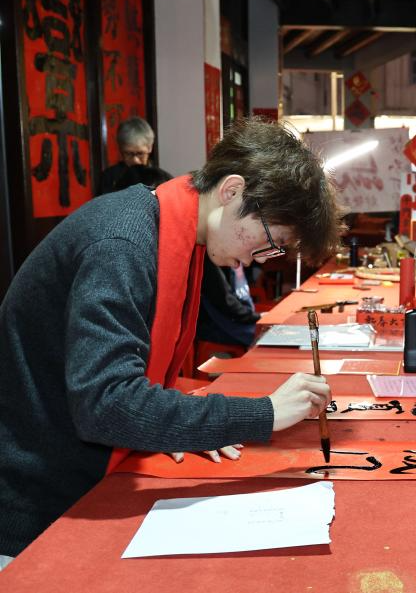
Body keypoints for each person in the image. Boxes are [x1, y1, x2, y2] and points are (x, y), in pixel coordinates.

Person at [0, 118, 342, 561]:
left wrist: (194, 424)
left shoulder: (172, 232)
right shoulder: (123, 241)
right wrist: (264, 413)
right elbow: (106, 404)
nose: (260, 259)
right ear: (232, 191)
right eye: (269, 241)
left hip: (72, 478)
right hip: (36, 506)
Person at [99, 116, 156, 195]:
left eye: (140, 153)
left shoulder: (159, 177)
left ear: (150, 148)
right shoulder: (110, 177)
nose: (135, 160)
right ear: (120, 149)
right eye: (129, 154)